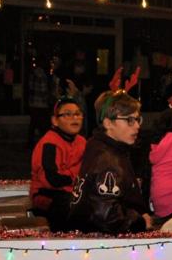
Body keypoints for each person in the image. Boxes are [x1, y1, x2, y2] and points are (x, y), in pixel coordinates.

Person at [67, 90, 152, 234]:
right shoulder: (107, 160)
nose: (137, 126)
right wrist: (139, 221)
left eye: (138, 119)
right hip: (102, 245)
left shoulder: (101, 146)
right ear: (108, 123)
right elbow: (108, 216)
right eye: (129, 120)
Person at [30, 97, 87, 231]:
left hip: (73, 191)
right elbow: (53, 180)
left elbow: (90, 169)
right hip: (47, 195)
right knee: (72, 207)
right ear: (55, 121)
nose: (74, 118)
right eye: (67, 114)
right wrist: (77, 173)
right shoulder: (49, 143)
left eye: (78, 114)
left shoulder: (81, 141)